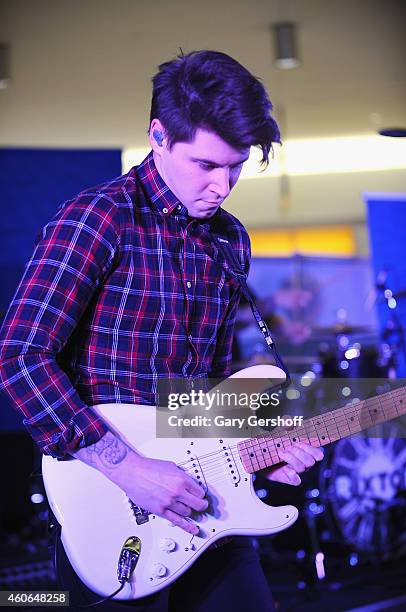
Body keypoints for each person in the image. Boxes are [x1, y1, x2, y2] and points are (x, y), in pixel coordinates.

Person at [0, 50, 323, 611]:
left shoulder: (229, 238)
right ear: (159, 135)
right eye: (205, 165)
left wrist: (258, 446)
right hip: (110, 504)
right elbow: (20, 357)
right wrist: (131, 470)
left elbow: (213, 388)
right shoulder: (97, 217)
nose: (223, 186)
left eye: (236, 165)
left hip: (209, 503)